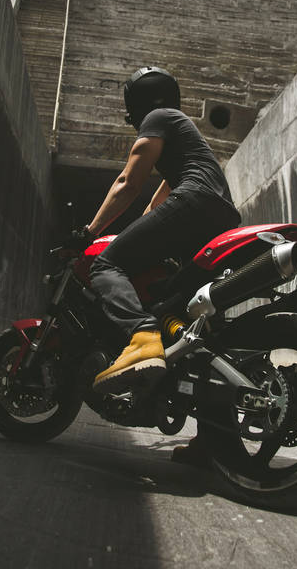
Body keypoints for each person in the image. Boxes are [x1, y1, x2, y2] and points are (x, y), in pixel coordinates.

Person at [70, 66, 241, 396]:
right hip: (220, 215)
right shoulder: (184, 139)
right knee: (189, 315)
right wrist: (130, 238)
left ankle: (141, 336)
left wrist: (90, 233)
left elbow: (127, 183)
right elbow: (155, 206)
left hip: (194, 199)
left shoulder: (158, 117)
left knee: (105, 265)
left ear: (136, 105)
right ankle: (209, 441)